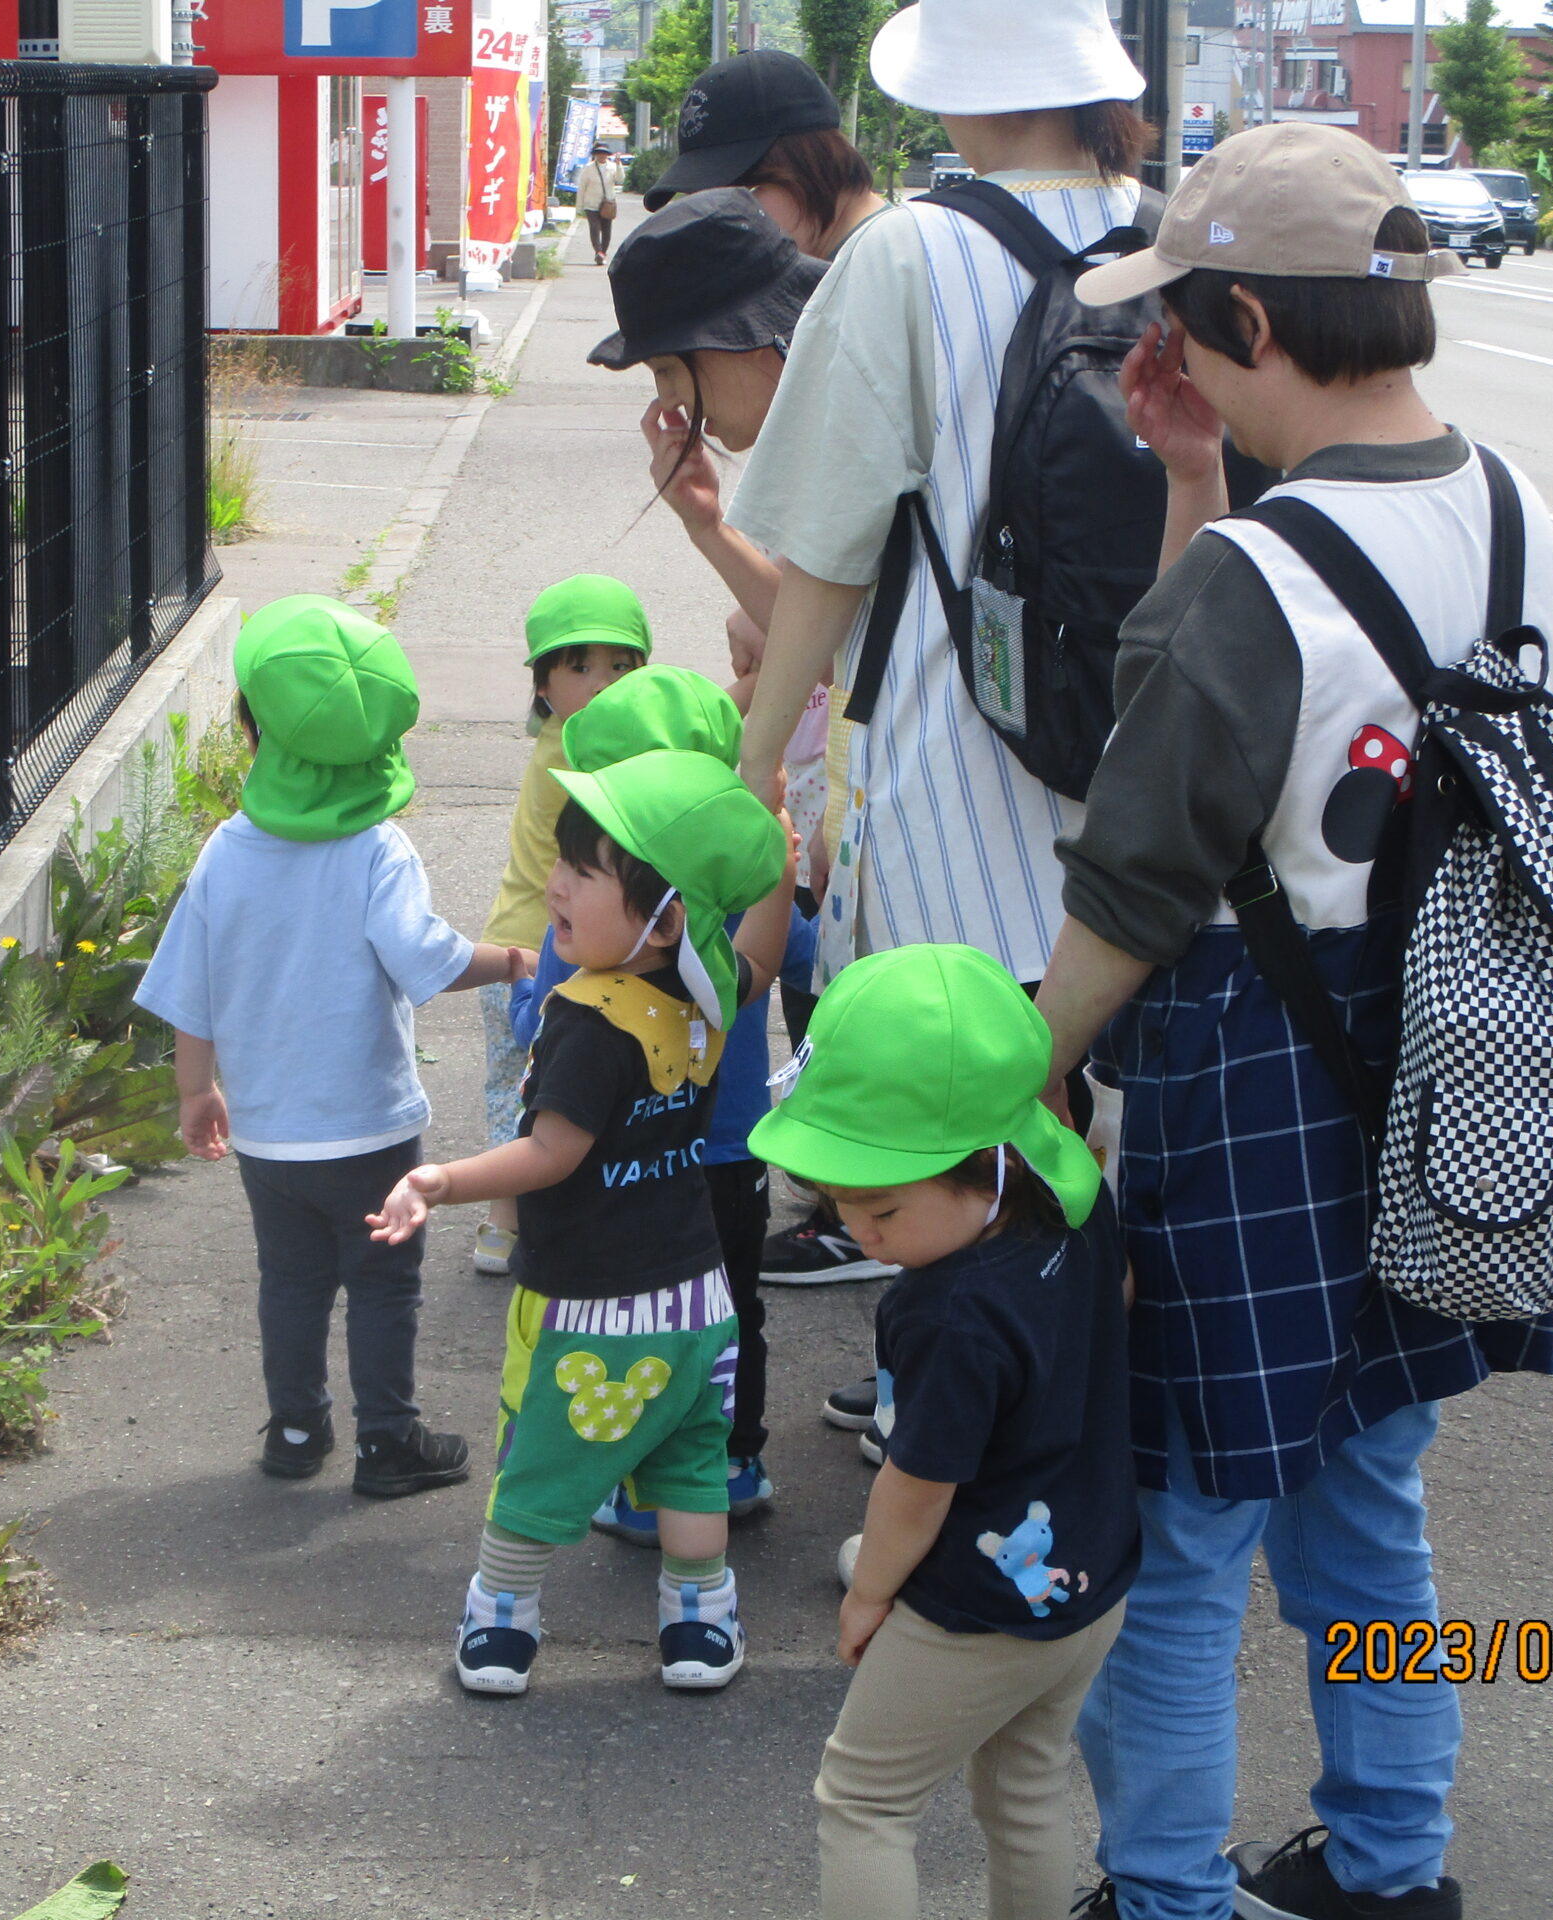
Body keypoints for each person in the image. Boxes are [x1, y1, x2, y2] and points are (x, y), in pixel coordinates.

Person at [1028, 124, 1553, 1920]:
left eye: (1186, 319)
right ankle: (1395, 1869)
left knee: (1185, 1530)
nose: (1170, 349)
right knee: (1364, 1494)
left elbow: (1135, 886)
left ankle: (1164, 1894)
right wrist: (1202, 475)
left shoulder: (1253, 579)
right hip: (1458, 1059)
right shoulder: (1514, 508)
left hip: (1257, 1080)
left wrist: (1016, 1078)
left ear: (1249, 318)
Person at [727, 0, 1157, 1402]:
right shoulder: (1172, 238)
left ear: (953, 86)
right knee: (1085, 1114)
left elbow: (826, 549)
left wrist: (754, 766)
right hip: (1145, 768)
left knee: (941, 1118)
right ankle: (1069, 1402)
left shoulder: (908, 251)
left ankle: (949, 1411)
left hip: (945, 770)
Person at [369, 750, 797, 1697]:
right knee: (690, 1464)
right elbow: (763, 960)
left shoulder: (590, 1020)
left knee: (540, 1460)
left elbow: (551, 1152)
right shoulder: (703, 992)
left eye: (583, 870)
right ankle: (700, 1619)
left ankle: (502, 1617)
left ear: (663, 918)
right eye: (561, 860)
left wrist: (439, 1180)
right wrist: (780, 861)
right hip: (697, 1300)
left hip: (589, 1309)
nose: (556, 885)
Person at [749, 943, 1134, 1920]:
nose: (860, 1229)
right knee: (1025, 1789)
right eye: (837, 1198)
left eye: (883, 1202)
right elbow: (1117, 1302)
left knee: (864, 1800)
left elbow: (915, 1485)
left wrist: (868, 1593)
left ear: (980, 1164)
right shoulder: (1072, 1192)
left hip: (974, 1604)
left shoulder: (948, 1312)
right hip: (1090, 1577)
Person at [137, 597, 530, 1497]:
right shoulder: (376, 850)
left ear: (252, 732)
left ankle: (295, 1427)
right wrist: (509, 959)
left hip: (267, 1135)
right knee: (384, 1283)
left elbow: (190, 985)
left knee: (291, 1280)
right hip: (367, 1128)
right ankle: (386, 1442)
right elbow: (424, 958)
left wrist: (196, 1091)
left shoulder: (226, 851)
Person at [590, 189, 901, 1296]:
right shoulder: (838, 401)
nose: (671, 403)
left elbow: (830, 632)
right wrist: (706, 521)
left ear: (734, 341)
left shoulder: (856, 419)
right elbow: (830, 629)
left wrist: (755, 771)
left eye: (669, 371)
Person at [503, 667, 819, 1537]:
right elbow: (788, 959)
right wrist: (778, 861)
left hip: (623, 1175)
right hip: (732, 1155)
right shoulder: (724, 910)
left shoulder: (592, 931)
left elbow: (540, 1031)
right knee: (729, 1312)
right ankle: (730, 1462)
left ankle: (632, 1474)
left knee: (624, 1318)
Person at [472, 575, 651, 1278]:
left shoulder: (572, 736)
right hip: (536, 950)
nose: (602, 683)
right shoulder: (577, 749)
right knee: (532, 1086)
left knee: (539, 1086)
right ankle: (507, 1215)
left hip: (543, 941)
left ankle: (513, 1217)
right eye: (580, 667)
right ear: (543, 686)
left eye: (621, 666)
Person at [641, 49, 889, 262]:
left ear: (809, 163)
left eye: (737, 196)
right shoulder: (829, 266)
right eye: (701, 203)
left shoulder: (887, 263)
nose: (723, 223)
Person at [573, 142, 625, 265]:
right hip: (591, 204)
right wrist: (579, 206)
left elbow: (620, 179)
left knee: (606, 230)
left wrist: (619, 165)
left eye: (604, 153)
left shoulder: (612, 167)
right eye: (599, 153)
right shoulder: (588, 168)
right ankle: (598, 252)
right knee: (594, 228)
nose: (602, 155)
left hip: (607, 204)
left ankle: (603, 252)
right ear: (595, 155)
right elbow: (582, 187)